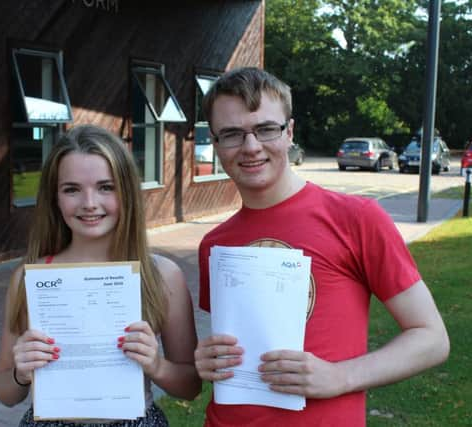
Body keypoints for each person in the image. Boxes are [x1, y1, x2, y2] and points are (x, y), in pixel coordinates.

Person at [193, 67, 450, 426]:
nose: (251, 147)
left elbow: (432, 338)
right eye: (232, 134)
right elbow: (233, 348)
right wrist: (208, 360)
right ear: (216, 144)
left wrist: (340, 376)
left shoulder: (356, 218)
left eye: (266, 129)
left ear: (290, 132)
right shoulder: (214, 245)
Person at [0, 125, 201, 426]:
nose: (89, 203)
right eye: (72, 189)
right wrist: (20, 373)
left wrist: (156, 366)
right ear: (55, 198)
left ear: (127, 191)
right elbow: (5, 393)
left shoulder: (162, 275)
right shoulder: (30, 278)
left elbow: (192, 386)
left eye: (106, 187)